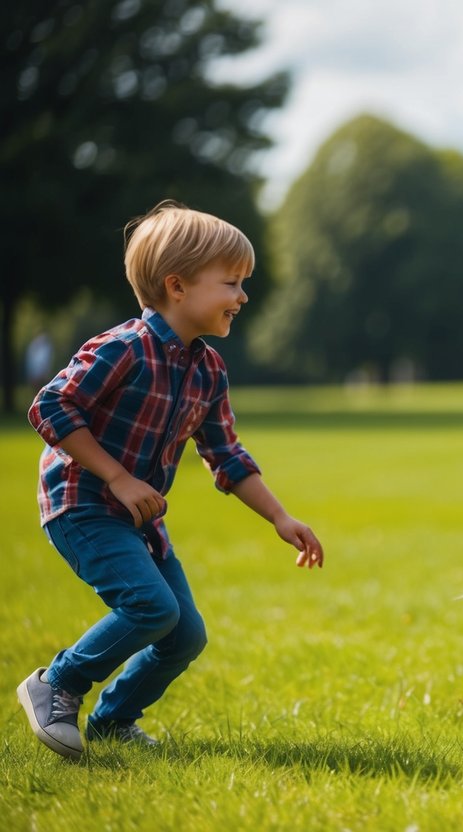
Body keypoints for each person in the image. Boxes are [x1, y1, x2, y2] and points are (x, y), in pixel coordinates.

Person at [18, 200, 325, 760]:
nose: (243, 296)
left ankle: (114, 721)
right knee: (152, 608)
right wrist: (116, 476)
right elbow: (51, 406)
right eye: (231, 282)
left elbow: (226, 455)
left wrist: (281, 517)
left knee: (185, 635)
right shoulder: (124, 348)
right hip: (83, 504)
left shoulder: (208, 369)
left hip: (139, 520)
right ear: (177, 287)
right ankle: (57, 684)